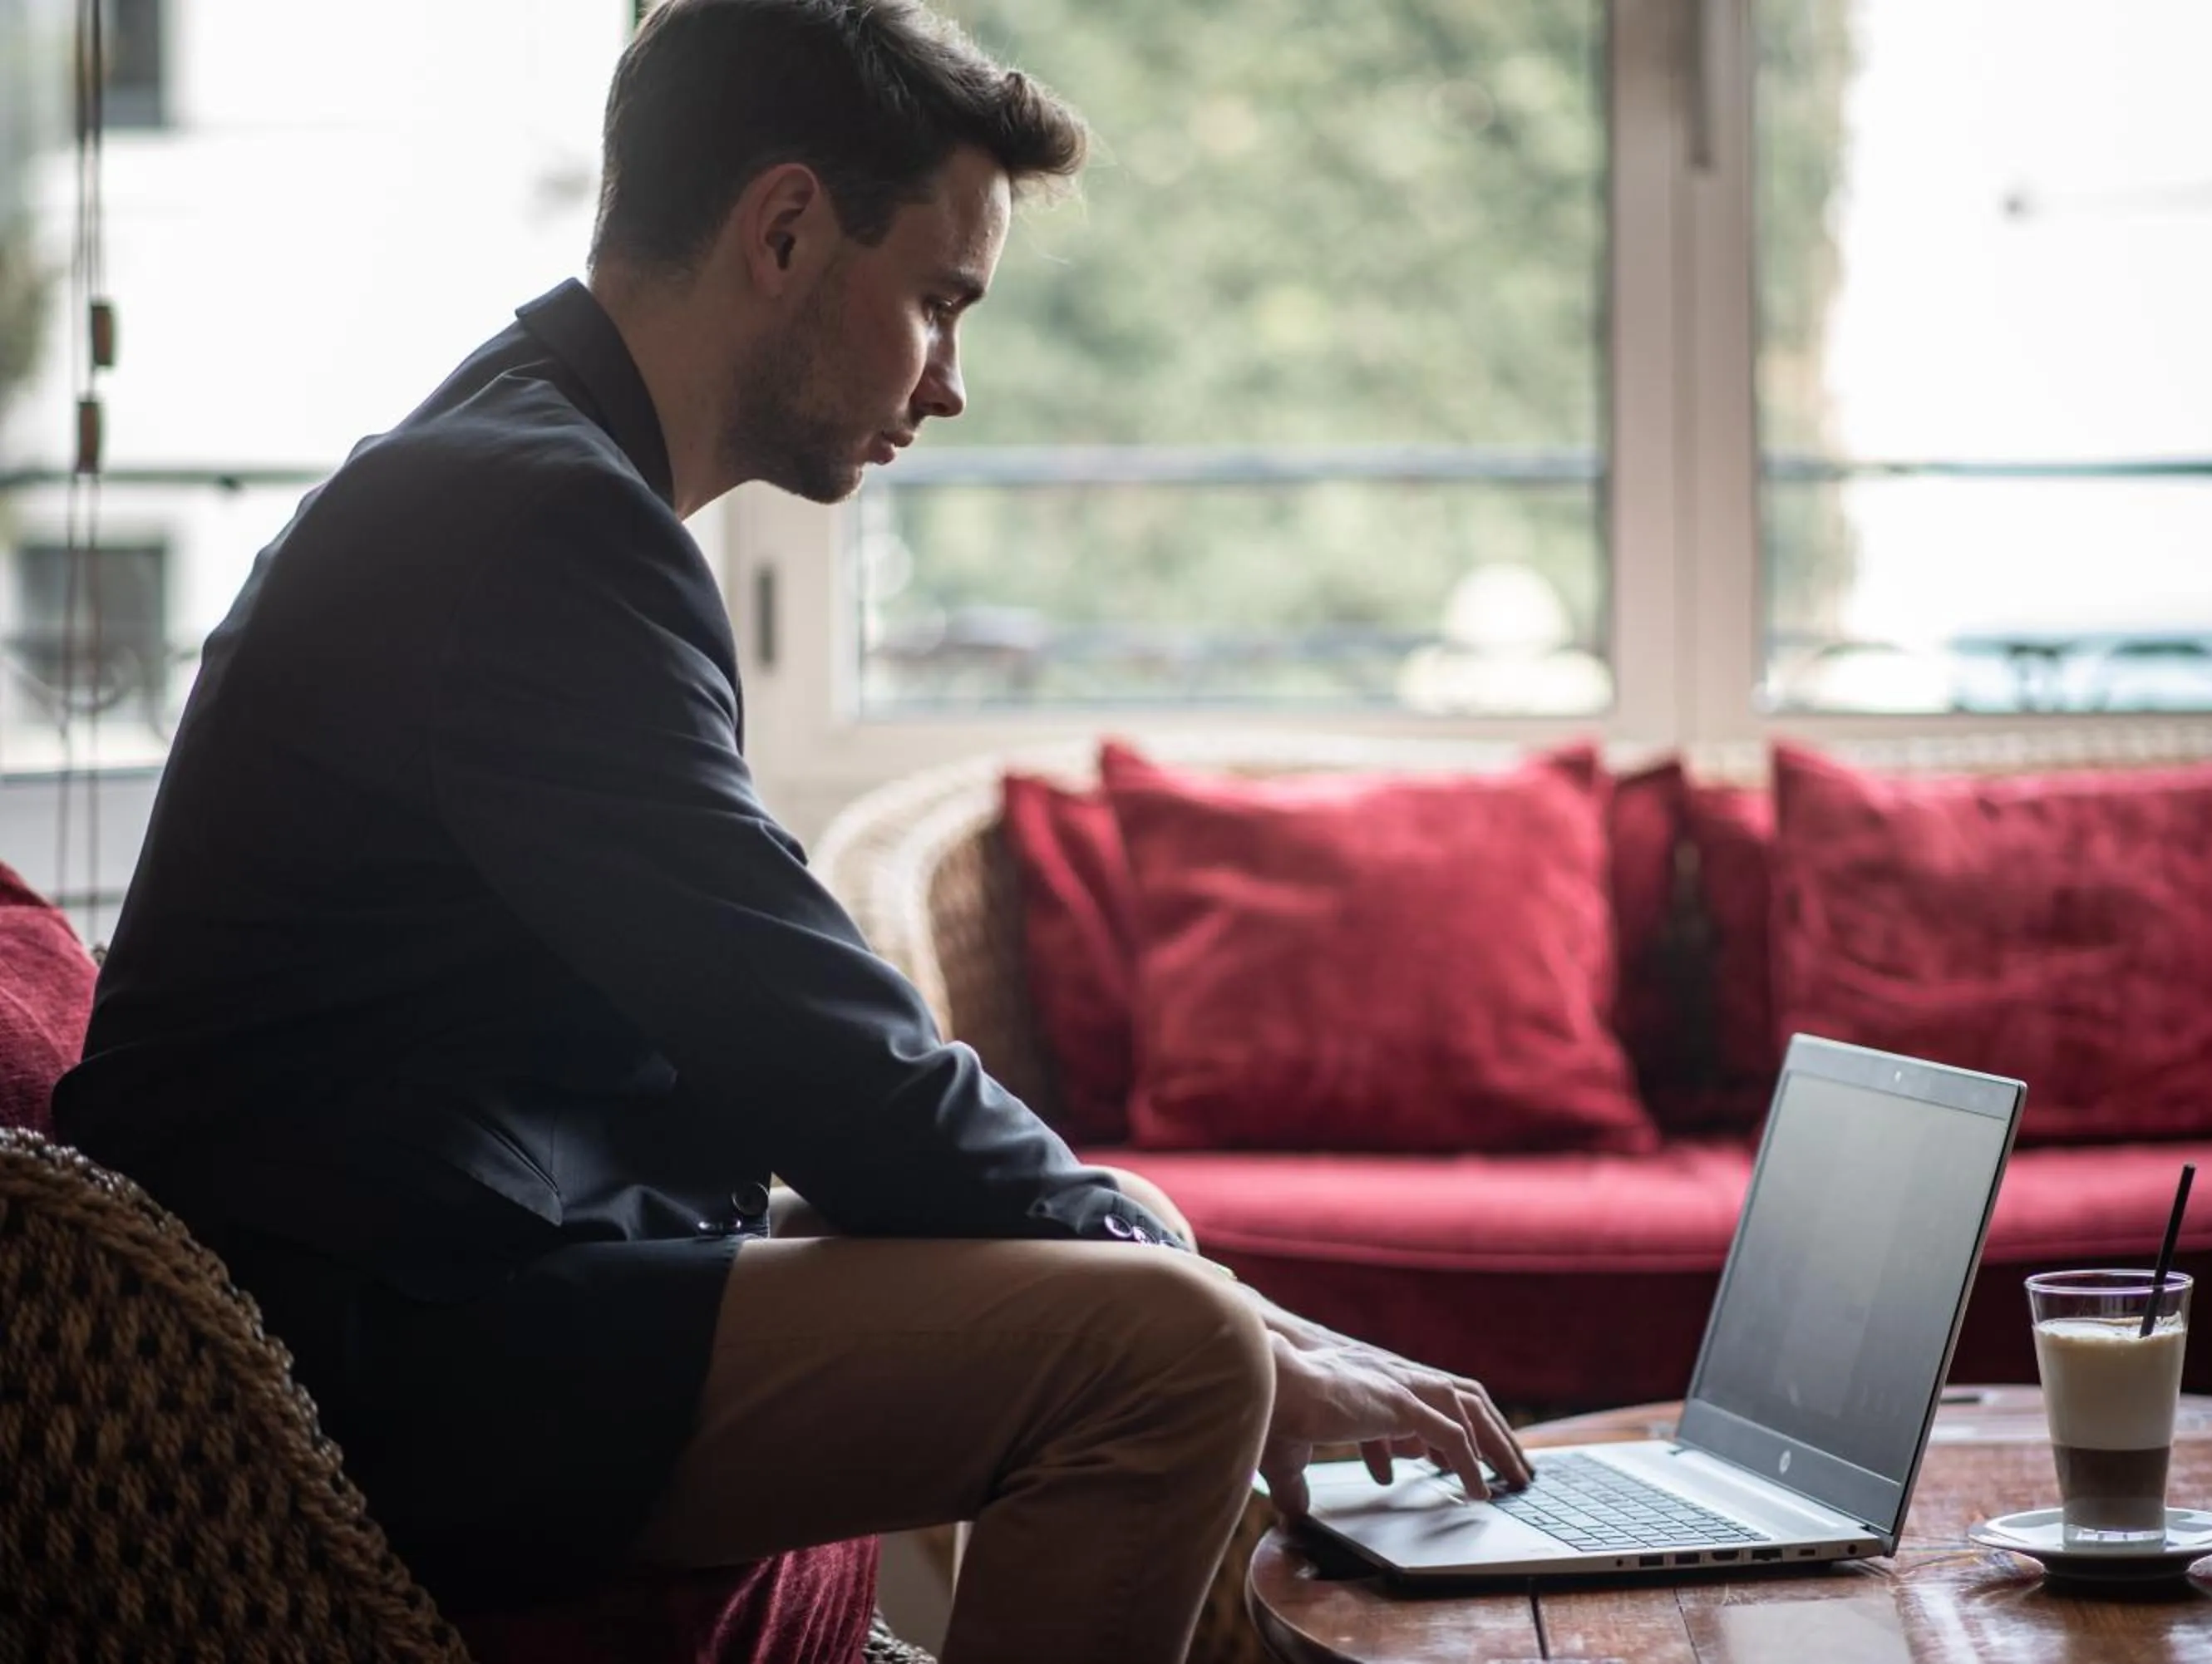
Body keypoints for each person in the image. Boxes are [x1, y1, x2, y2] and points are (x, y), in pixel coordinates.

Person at [52, 2, 1532, 1658]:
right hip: (338, 1366)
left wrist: (1131, 1235)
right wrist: (1234, 1313)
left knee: (1125, 1239)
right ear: (784, 232)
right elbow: (807, 1036)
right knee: (1169, 1351)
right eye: (937, 302)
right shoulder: (538, 524)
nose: (950, 385)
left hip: (428, 1272)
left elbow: (757, 1030)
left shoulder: (524, 466)